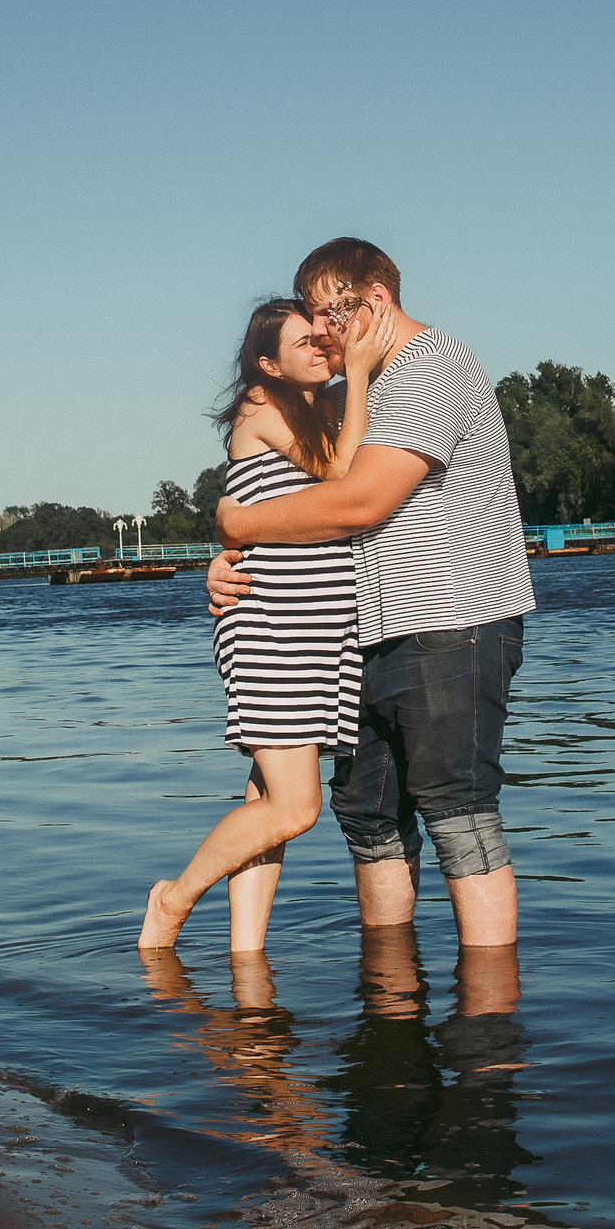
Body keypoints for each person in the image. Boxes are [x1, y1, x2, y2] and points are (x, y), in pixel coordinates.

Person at [207, 238, 535, 947]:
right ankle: (390, 1012)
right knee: (370, 820)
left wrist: (238, 522)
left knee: (458, 815)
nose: (321, 332)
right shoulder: (357, 388)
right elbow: (290, 483)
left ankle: (487, 1029)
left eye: (328, 315)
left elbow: (356, 501)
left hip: (451, 624)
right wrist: (230, 550)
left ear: (375, 302)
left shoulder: (428, 369)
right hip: (366, 636)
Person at [138, 298, 388, 951]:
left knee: (266, 802)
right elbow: (339, 470)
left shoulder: (318, 406)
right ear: (268, 362)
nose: (319, 345)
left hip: (320, 633)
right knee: (296, 806)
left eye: (321, 336)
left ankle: (247, 956)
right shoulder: (261, 402)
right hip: (273, 626)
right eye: (302, 340)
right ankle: (173, 898)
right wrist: (357, 373)